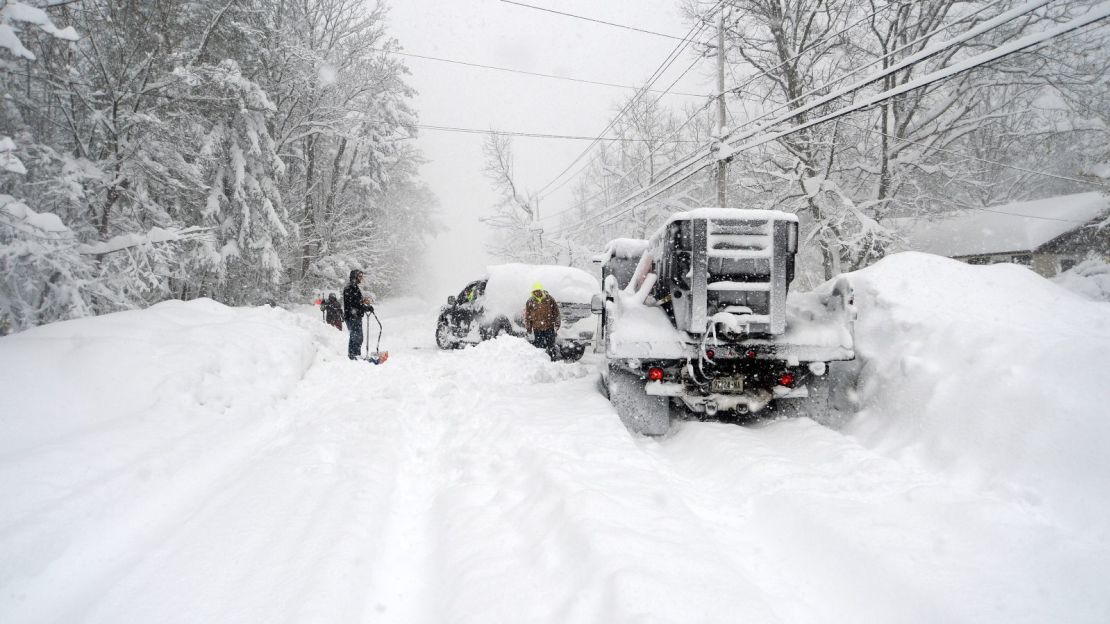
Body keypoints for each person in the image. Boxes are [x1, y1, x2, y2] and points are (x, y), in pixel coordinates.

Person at [523, 282, 560, 360]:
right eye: (535, 291)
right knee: (539, 346)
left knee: (551, 345)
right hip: (537, 328)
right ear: (533, 292)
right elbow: (527, 315)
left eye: (538, 290)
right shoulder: (530, 301)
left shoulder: (549, 299)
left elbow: (556, 312)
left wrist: (557, 323)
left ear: (542, 290)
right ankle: (541, 361)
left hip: (549, 327)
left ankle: (553, 360)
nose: (537, 292)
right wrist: (528, 327)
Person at [343, 269, 374, 360]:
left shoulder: (354, 287)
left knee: (357, 337)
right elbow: (353, 304)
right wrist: (364, 308)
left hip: (355, 316)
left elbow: (357, 303)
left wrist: (365, 306)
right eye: (360, 276)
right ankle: (354, 356)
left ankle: (355, 355)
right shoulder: (350, 288)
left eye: (361, 276)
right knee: (356, 337)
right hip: (352, 317)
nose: (361, 278)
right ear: (355, 277)